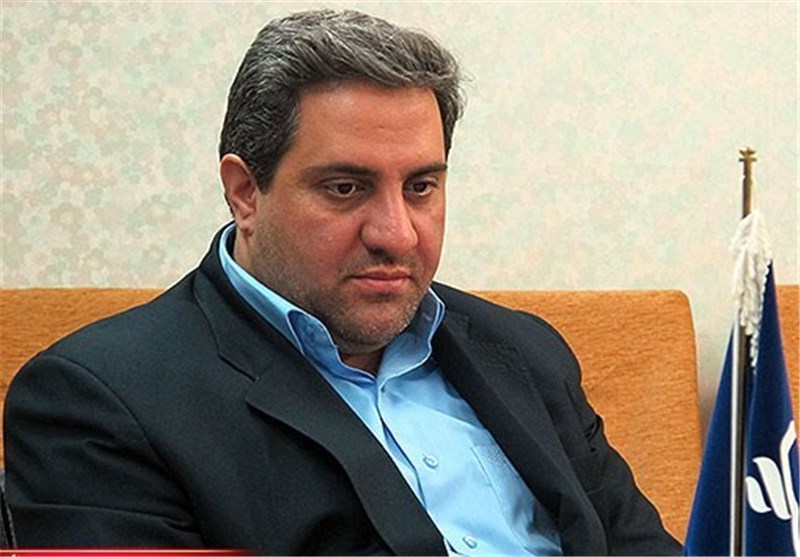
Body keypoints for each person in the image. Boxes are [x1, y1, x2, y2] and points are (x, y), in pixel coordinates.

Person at [4, 9, 681, 555]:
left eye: (421, 187)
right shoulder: (99, 400)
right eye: (346, 188)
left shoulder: (525, 351)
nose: (397, 233)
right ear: (245, 192)